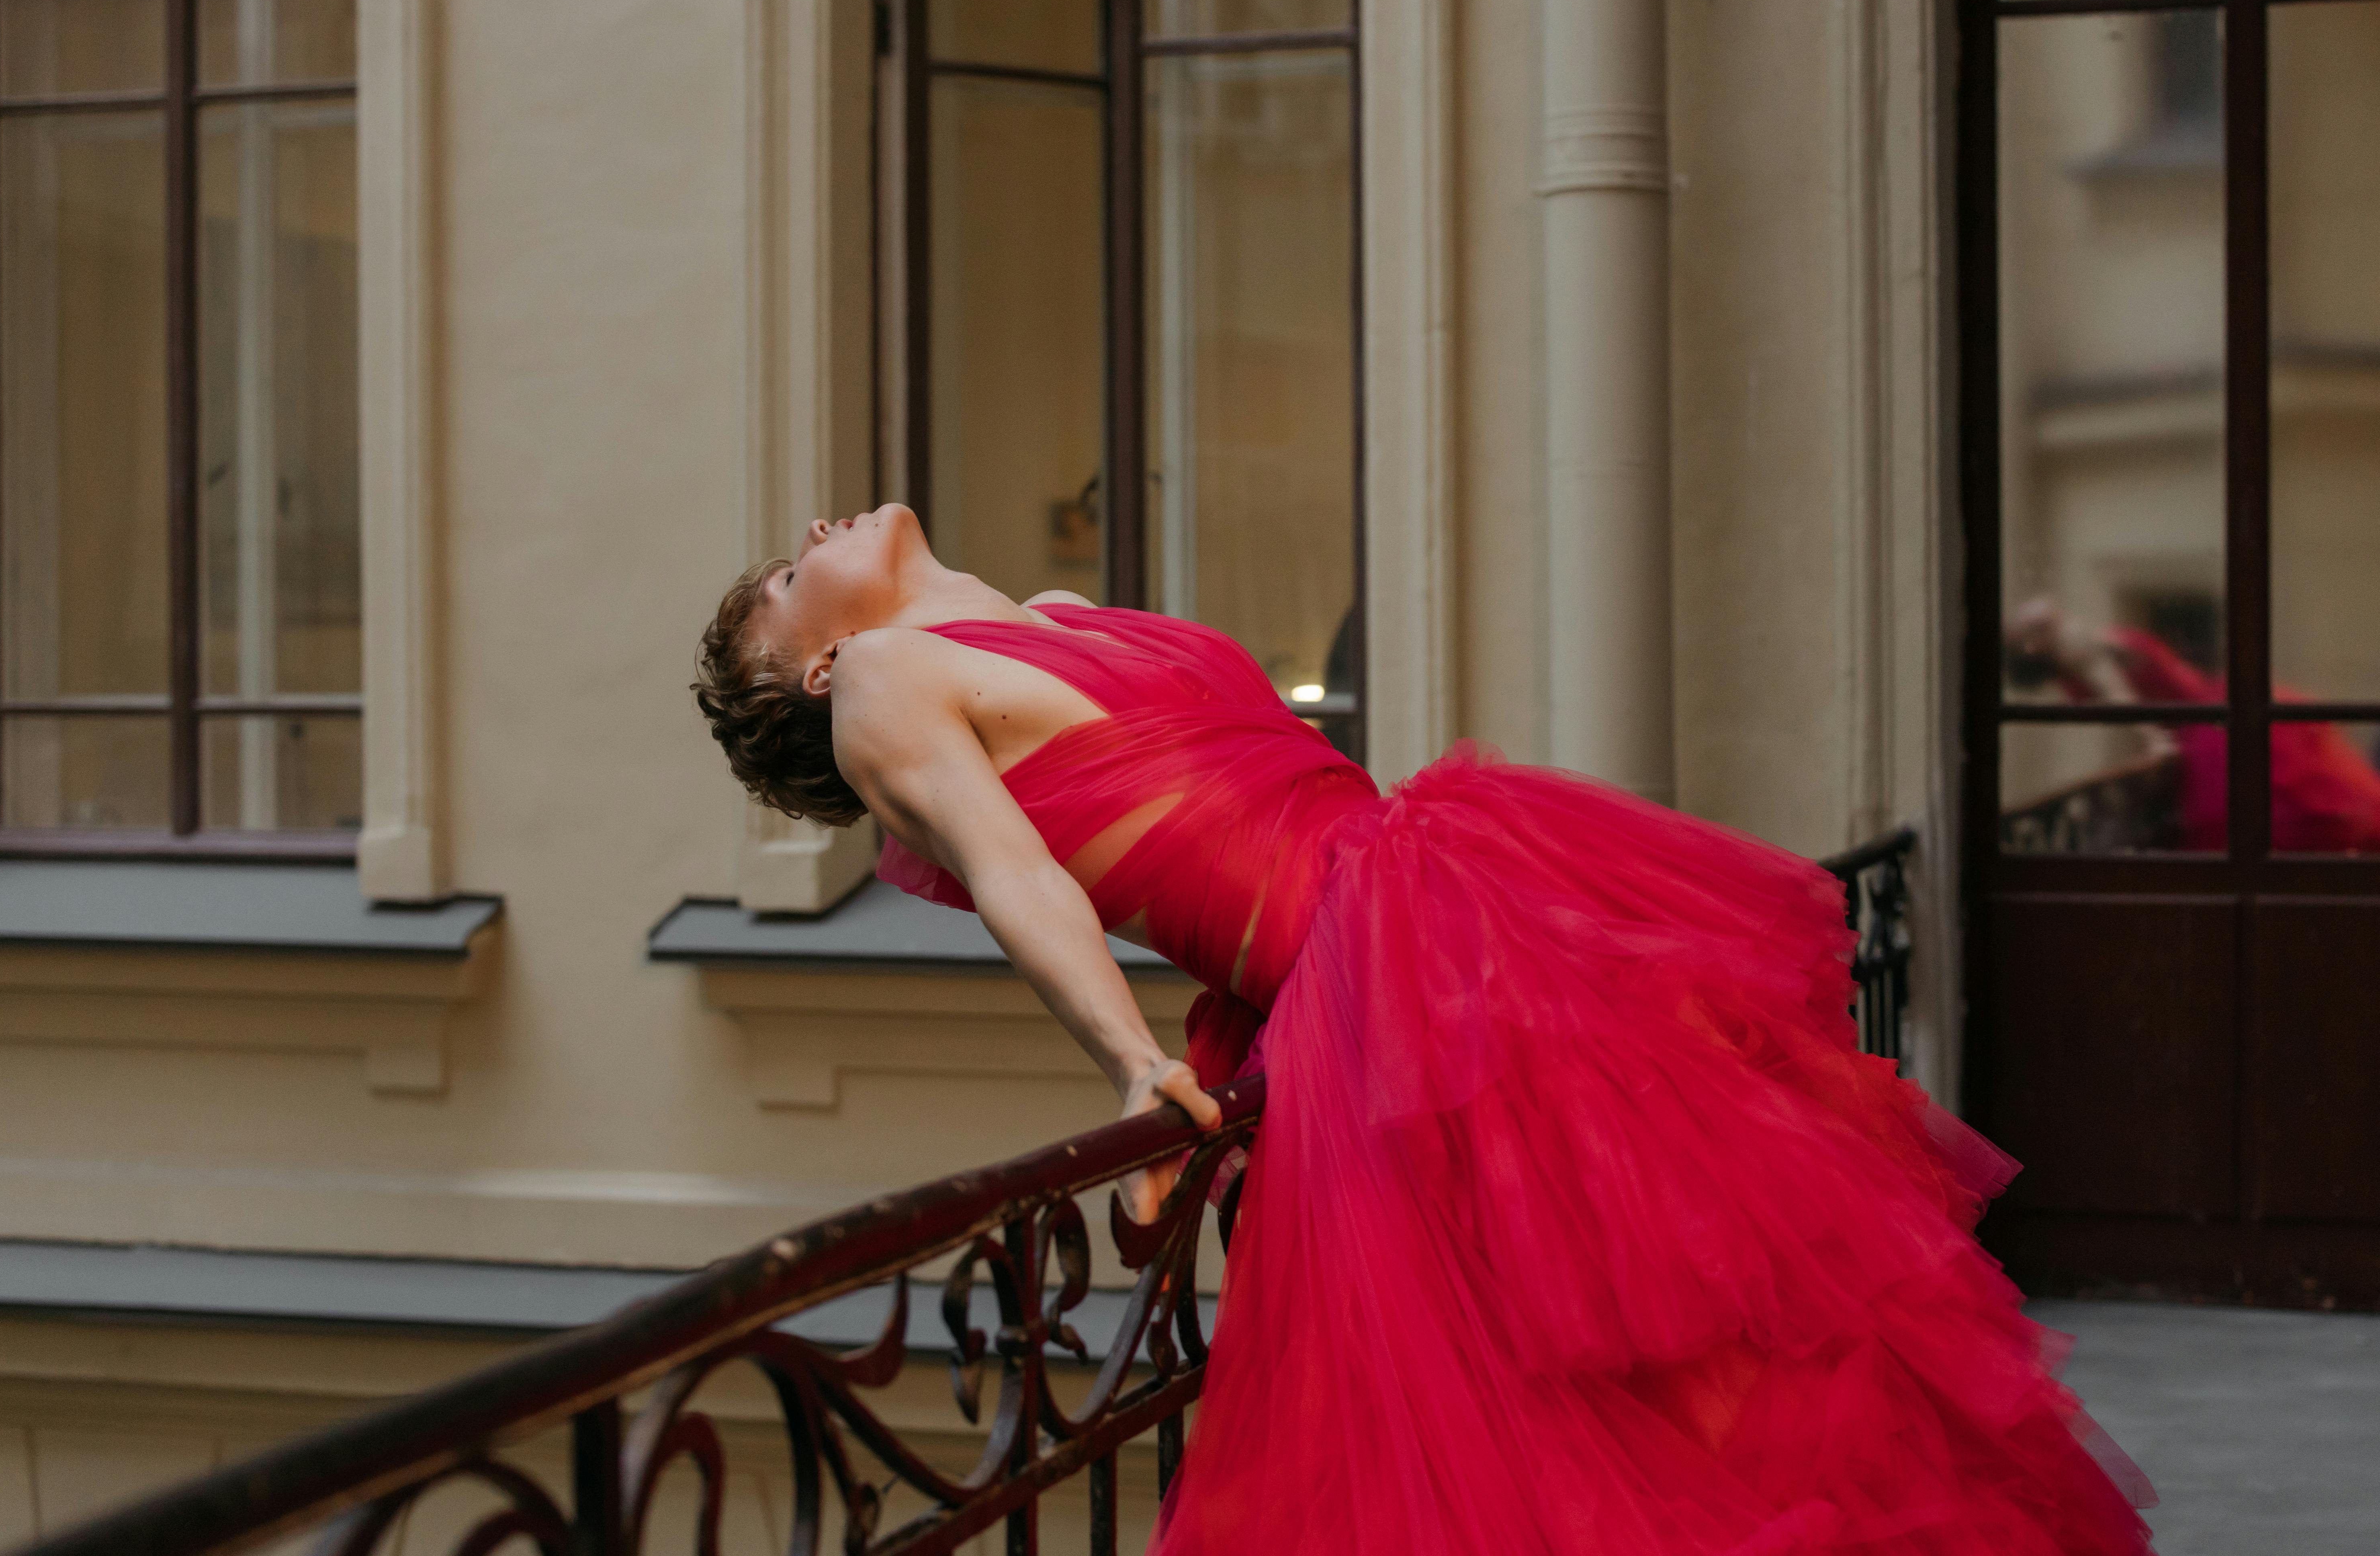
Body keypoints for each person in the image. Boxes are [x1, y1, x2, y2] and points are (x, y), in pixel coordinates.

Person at [694, 504, 2154, 1556]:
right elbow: (1014, 870)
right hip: (1383, 963)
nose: (818, 522)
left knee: (1657, 1327)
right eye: (787, 569)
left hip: (1427, 924)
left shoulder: (1058, 622)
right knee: (1612, 1351)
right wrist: (1132, 1060)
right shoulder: (882, 685)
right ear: (817, 667)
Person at [2007, 597, 2380, 853]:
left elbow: (2127, 694)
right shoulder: (2079, 657)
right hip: (2206, 728)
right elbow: (2121, 698)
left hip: (2210, 718)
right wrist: (2153, 740)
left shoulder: (2082, 651)